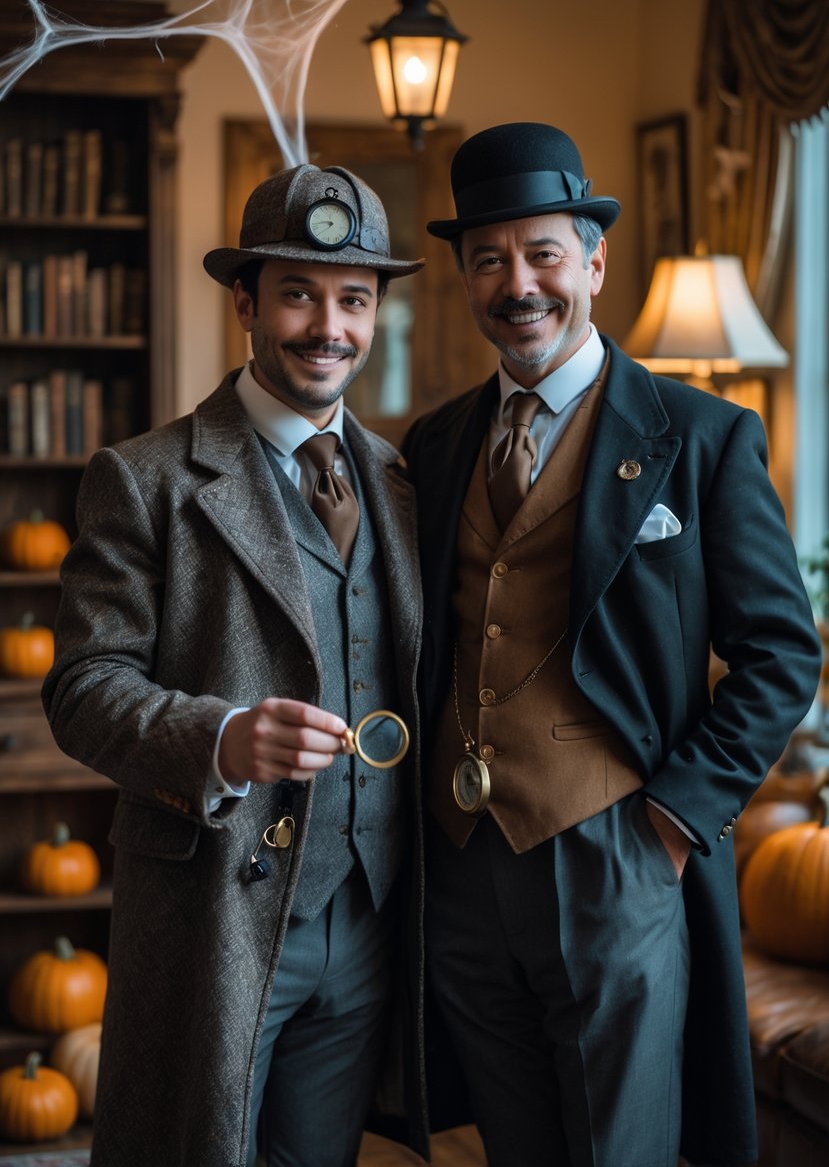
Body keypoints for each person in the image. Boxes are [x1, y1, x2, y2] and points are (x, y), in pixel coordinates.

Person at [402, 123, 822, 1167]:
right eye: (488, 258)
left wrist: (675, 820)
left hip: (619, 853)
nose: (518, 282)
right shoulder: (433, 442)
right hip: (459, 865)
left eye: (542, 252)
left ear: (592, 261)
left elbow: (780, 653)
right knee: (514, 1146)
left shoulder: (703, 435)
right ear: (463, 278)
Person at [42, 164, 429, 1167]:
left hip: (371, 912)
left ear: (377, 310)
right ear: (246, 302)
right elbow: (83, 688)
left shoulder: (402, 479)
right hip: (218, 909)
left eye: (353, 299)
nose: (327, 327)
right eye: (298, 294)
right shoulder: (145, 477)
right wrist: (219, 735)